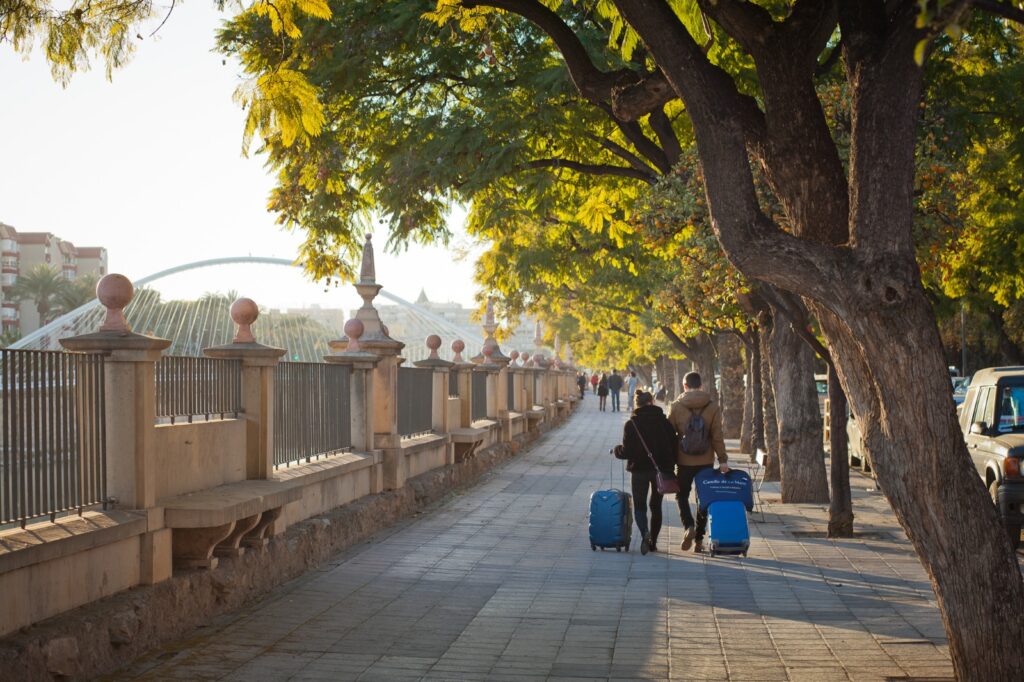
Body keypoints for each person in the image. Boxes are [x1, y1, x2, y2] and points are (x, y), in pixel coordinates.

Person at [667, 371, 729, 553]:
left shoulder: (676, 406)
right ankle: (700, 540)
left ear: (685, 386)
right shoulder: (712, 406)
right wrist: (723, 460)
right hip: (705, 460)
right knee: (703, 498)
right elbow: (717, 436)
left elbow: (670, 436)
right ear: (701, 385)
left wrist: (669, 462)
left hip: (684, 460)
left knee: (681, 495)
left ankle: (688, 526)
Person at [615, 390, 677, 555]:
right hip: (661, 471)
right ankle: (653, 543)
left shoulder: (631, 424)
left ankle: (644, 533)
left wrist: (616, 451)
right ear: (652, 402)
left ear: (637, 404)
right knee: (656, 506)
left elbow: (627, 452)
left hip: (639, 470)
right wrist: (672, 465)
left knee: (640, 506)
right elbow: (674, 445)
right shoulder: (664, 423)